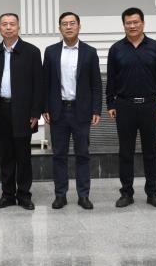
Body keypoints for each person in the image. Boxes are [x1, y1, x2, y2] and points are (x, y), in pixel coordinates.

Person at [107, 7, 156, 209]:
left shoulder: (155, 48)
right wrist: (110, 103)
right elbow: (111, 80)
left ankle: (153, 193)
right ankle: (126, 193)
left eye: (136, 22)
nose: (132, 26)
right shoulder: (116, 49)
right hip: (124, 106)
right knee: (125, 152)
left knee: (150, 152)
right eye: (128, 23)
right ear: (124, 25)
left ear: (143, 23)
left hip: (150, 106)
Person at [0, 13, 45, 210]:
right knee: (5, 155)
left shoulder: (31, 52)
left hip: (23, 111)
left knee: (23, 155)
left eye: (12, 24)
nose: (8, 27)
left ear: (18, 27)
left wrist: (36, 112)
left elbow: (38, 84)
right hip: (0, 109)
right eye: (4, 24)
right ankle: (8, 195)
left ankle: (24, 195)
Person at [44, 12, 102, 210]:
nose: (68, 27)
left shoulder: (90, 52)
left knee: (82, 155)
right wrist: (45, 107)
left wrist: (96, 109)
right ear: (59, 28)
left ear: (79, 26)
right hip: (58, 110)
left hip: (81, 111)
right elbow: (46, 82)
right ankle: (60, 195)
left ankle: (83, 195)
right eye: (64, 24)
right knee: (58, 155)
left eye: (72, 23)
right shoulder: (51, 52)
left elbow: (96, 84)